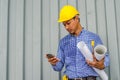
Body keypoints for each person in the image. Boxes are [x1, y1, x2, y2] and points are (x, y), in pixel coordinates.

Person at [46, 5, 110, 80]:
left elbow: (106, 57)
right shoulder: (63, 42)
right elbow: (58, 67)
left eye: (68, 23)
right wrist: (54, 63)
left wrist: (101, 65)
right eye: (64, 25)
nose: (66, 27)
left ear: (76, 18)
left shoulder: (93, 37)